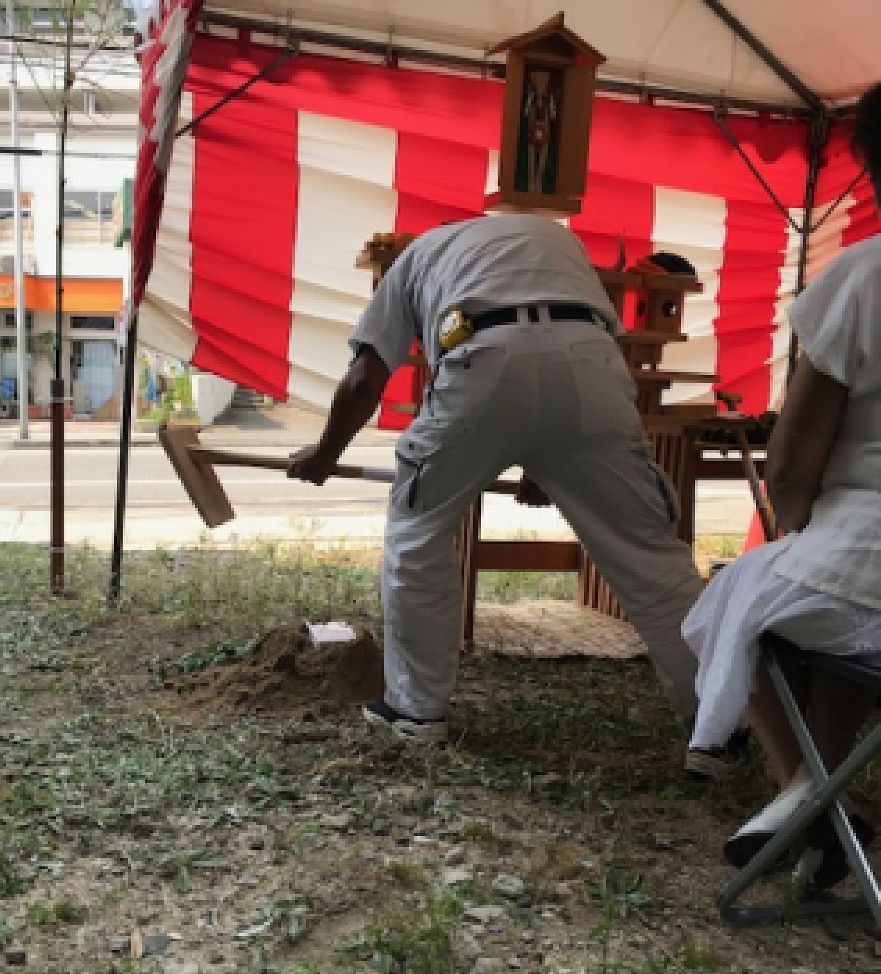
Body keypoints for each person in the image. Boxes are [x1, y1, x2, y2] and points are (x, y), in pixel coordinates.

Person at [287, 212, 705, 743]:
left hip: (480, 363)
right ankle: (718, 719)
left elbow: (366, 379)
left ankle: (416, 713)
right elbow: (551, 344)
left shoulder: (409, 262)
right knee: (650, 555)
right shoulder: (552, 237)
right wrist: (548, 459)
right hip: (593, 367)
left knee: (418, 537)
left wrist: (324, 455)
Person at [682, 81, 881, 883]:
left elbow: (794, 459)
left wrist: (795, 518)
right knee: (827, 605)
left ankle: (808, 799)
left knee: (740, 598)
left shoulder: (865, 276)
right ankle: (820, 804)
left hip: (864, 555)